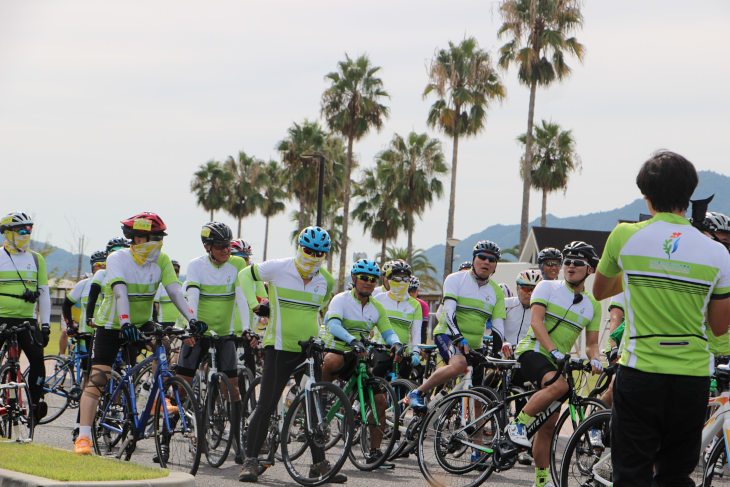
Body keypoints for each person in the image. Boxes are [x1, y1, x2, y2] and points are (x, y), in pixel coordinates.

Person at [593, 151, 730, 486]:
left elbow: (599, 291)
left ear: (646, 195)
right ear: (689, 195)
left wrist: (641, 273)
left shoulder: (625, 235)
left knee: (631, 474)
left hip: (640, 372)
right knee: (674, 475)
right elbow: (719, 326)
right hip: (692, 376)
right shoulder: (718, 252)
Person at [74, 212, 205, 455]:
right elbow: (120, 293)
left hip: (143, 321)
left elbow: (176, 292)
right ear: (137, 239)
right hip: (113, 324)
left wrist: (193, 319)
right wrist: (124, 324)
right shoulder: (117, 258)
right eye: (154, 237)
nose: (158, 242)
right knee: (98, 378)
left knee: (163, 346)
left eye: (160, 237)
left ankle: (152, 396)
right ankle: (83, 437)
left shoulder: (162, 260)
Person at [237, 226, 342, 483]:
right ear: (299, 247)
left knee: (314, 408)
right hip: (279, 348)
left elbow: (315, 312)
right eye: (308, 250)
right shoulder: (278, 268)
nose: (312, 255)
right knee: (266, 405)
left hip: (308, 351)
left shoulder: (326, 281)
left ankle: (319, 464)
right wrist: (255, 304)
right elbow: (243, 275)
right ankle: (250, 461)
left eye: (319, 253)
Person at [509, 241, 603, 487]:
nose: (570, 266)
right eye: (567, 261)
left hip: (557, 360)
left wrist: (595, 358)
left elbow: (592, 343)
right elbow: (536, 322)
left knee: (549, 426)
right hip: (533, 350)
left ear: (590, 269)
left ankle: (541, 482)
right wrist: (553, 350)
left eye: (578, 262)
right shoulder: (547, 286)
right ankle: (517, 424)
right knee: (560, 387)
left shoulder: (591, 305)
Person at [174, 222, 254, 464]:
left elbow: (241, 299)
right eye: (220, 246)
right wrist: (192, 325)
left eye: (228, 246)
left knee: (234, 389)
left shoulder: (238, 265)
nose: (226, 250)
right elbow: (193, 298)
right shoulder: (197, 265)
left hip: (225, 334)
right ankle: (167, 436)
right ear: (208, 247)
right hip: (198, 332)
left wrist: (247, 328)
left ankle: (239, 444)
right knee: (181, 386)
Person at [321, 258, 404, 470]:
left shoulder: (376, 307)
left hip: (359, 358)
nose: (368, 282)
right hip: (339, 350)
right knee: (331, 360)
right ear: (354, 279)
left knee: (380, 401)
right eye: (364, 278)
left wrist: (396, 343)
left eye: (373, 279)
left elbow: (387, 330)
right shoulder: (341, 299)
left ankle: (375, 453)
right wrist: (352, 340)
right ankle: (319, 399)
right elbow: (333, 325)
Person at [408, 240, 506, 407]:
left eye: (491, 259)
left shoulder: (496, 291)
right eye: (482, 257)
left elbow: (498, 327)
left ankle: (477, 434)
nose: (486, 262)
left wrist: (498, 356)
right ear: (474, 259)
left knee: (479, 397)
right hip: (448, 334)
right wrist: (458, 337)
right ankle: (418, 392)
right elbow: (449, 311)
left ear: (495, 265)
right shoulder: (455, 279)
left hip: (475, 344)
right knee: (459, 364)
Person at [0, 211, 51, 423]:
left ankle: (35, 404)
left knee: (37, 360)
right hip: (1, 318)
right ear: (7, 233)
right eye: (21, 230)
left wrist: (46, 325)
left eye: (29, 230)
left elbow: (45, 293)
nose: (26, 233)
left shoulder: (37, 259)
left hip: (27, 321)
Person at [62, 249, 106, 442]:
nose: (101, 268)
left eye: (104, 265)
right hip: (86, 337)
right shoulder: (85, 284)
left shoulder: (113, 283)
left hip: (105, 335)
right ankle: (80, 425)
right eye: (98, 265)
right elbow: (66, 304)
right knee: (88, 380)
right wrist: (70, 325)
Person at [371, 261, 422, 383]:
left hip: (404, 352)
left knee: (403, 384)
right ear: (389, 279)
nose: (402, 282)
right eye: (398, 278)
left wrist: (416, 353)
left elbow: (416, 332)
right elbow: (369, 325)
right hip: (381, 349)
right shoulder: (379, 299)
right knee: (372, 383)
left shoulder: (415, 305)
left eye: (406, 278)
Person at [85, 237, 129, 327]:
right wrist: (89, 318)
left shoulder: (135, 273)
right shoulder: (101, 274)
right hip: (106, 321)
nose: (119, 253)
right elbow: (92, 298)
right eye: (115, 251)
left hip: (130, 321)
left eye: (124, 250)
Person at [502, 269, 544, 357]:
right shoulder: (505, 304)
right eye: (526, 289)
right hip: (503, 354)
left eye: (534, 289)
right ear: (517, 289)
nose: (530, 293)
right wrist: (502, 342)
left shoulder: (542, 312)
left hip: (527, 357)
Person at [153, 259, 184, 327]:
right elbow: (156, 306)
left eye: (176, 271)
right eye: (172, 270)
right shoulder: (160, 287)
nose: (175, 273)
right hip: (163, 322)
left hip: (178, 323)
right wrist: (155, 322)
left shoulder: (183, 286)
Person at [408, 276, 431, 345]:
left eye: (413, 290)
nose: (410, 293)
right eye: (408, 290)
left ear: (417, 291)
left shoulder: (423, 305)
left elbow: (423, 328)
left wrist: (423, 345)